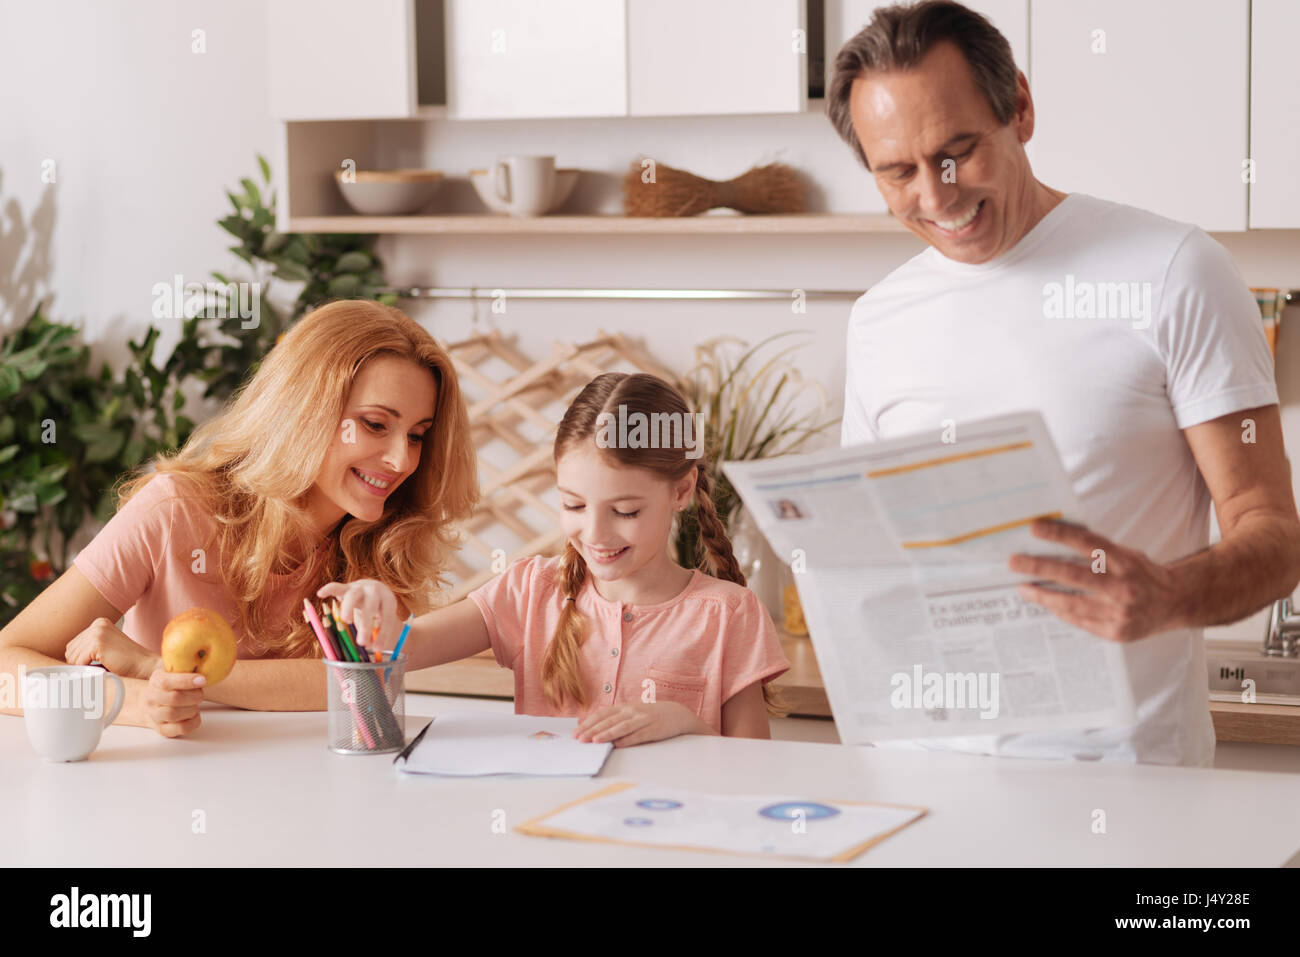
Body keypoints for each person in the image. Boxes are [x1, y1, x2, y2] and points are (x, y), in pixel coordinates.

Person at [825, 0, 1300, 764]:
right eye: (898, 172)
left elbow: (1275, 534)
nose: (938, 194)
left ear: (1021, 106)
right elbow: (873, 551)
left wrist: (1173, 596)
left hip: (1120, 789)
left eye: (958, 150)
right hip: (923, 778)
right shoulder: (879, 319)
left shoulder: (1175, 271)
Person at [0, 300, 478, 738]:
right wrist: (135, 700)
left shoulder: (386, 541)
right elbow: (5, 665)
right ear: (303, 410)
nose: (401, 460)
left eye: (417, 435)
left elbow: (358, 684)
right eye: (376, 424)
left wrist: (153, 666)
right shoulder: (173, 511)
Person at [320, 372, 790, 746]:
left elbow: (755, 772)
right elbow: (406, 648)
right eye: (574, 505)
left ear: (682, 490)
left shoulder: (729, 613)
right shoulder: (531, 590)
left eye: (625, 511)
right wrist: (376, 614)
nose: (596, 533)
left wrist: (684, 725)